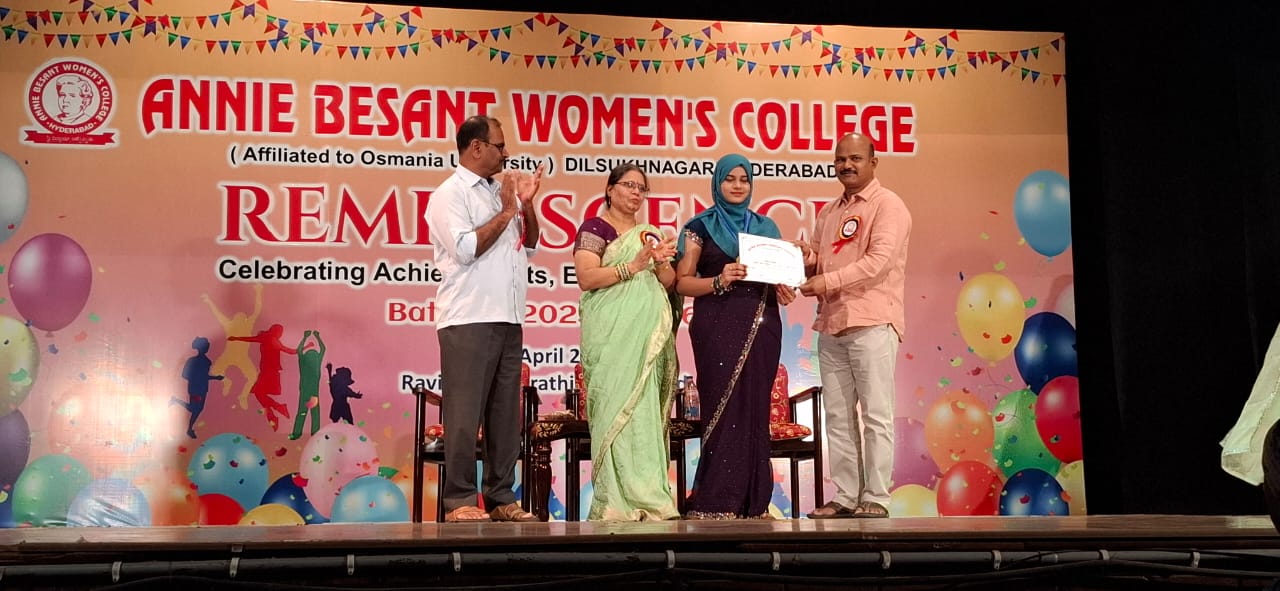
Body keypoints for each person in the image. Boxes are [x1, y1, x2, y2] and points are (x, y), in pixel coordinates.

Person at [425, 115, 544, 523]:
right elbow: (465, 248)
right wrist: (508, 209)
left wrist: (525, 206)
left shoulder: (499, 193)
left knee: (503, 415)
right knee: (464, 414)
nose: (506, 153)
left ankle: (500, 497)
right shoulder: (450, 194)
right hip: (468, 318)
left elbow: (530, 245)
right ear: (476, 147)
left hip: (508, 316)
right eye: (499, 145)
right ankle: (459, 500)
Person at [674, 154, 796, 520]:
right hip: (716, 324)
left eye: (744, 179)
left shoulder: (766, 227)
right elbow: (682, 282)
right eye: (730, 179)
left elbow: (778, 274)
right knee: (723, 407)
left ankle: (753, 501)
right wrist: (719, 279)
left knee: (754, 408)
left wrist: (784, 287)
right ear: (717, 183)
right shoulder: (700, 227)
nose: (738, 185)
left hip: (762, 323)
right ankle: (716, 499)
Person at [798, 133, 911, 519]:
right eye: (840, 159)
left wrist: (825, 281)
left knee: (876, 415)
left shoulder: (888, 205)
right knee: (837, 416)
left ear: (873, 162)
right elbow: (818, 261)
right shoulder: (829, 212)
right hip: (832, 324)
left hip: (872, 322)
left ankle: (876, 497)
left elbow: (878, 262)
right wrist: (804, 258)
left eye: (855, 158)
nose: (847, 165)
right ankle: (846, 495)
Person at [573, 164, 681, 521]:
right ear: (610, 189)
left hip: (645, 341)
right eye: (629, 185)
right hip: (611, 339)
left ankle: (651, 499)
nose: (636, 193)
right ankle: (615, 503)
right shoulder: (595, 228)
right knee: (614, 411)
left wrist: (660, 262)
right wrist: (632, 267)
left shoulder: (649, 234)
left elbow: (668, 282)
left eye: (641, 188)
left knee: (644, 415)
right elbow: (586, 277)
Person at [228, 323, 296, 432]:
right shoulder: (269, 338)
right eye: (280, 332)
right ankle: (277, 410)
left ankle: (275, 412)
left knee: (259, 393)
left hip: (270, 371)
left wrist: (237, 338)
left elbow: (290, 351)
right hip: (269, 371)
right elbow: (251, 339)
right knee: (259, 394)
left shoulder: (271, 339)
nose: (280, 334)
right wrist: (237, 338)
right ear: (275, 331)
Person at [172, 336, 224, 439]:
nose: (208, 347)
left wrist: (215, 378)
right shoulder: (192, 361)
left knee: (197, 408)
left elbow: (204, 376)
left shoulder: (207, 361)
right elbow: (185, 375)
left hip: (203, 388)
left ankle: (176, 402)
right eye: (206, 346)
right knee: (195, 408)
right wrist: (198, 378)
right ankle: (189, 428)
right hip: (195, 388)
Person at [291, 330, 325, 439]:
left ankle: (298, 433)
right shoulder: (315, 362)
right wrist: (317, 336)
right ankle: (312, 433)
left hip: (306, 392)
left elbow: (299, 350)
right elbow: (323, 349)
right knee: (313, 414)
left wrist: (305, 337)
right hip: (312, 393)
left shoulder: (303, 362)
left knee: (303, 412)